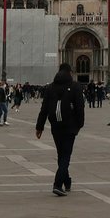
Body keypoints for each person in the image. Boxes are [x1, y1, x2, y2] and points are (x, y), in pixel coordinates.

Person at [35, 64, 86, 196]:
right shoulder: (75, 86)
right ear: (69, 72)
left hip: (55, 126)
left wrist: (39, 127)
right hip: (70, 126)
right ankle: (57, 184)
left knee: (61, 154)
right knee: (66, 155)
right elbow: (80, 107)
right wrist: (79, 124)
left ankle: (67, 181)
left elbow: (44, 109)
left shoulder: (50, 87)